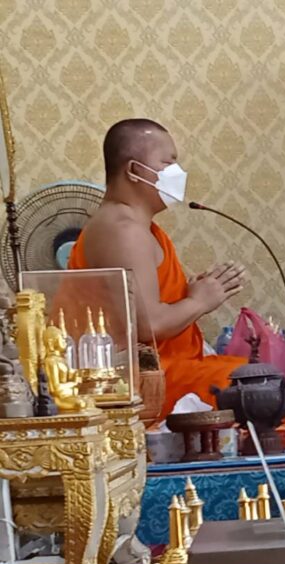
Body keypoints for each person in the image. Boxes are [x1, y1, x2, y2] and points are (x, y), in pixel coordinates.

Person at [68, 118, 247, 418]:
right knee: (257, 386)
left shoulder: (135, 226)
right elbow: (148, 326)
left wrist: (188, 295)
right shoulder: (123, 230)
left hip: (168, 368)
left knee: (256, 378)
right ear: (135, 170)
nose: (177, 173)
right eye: (168, 163)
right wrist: (199, 302)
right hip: (142, 380)